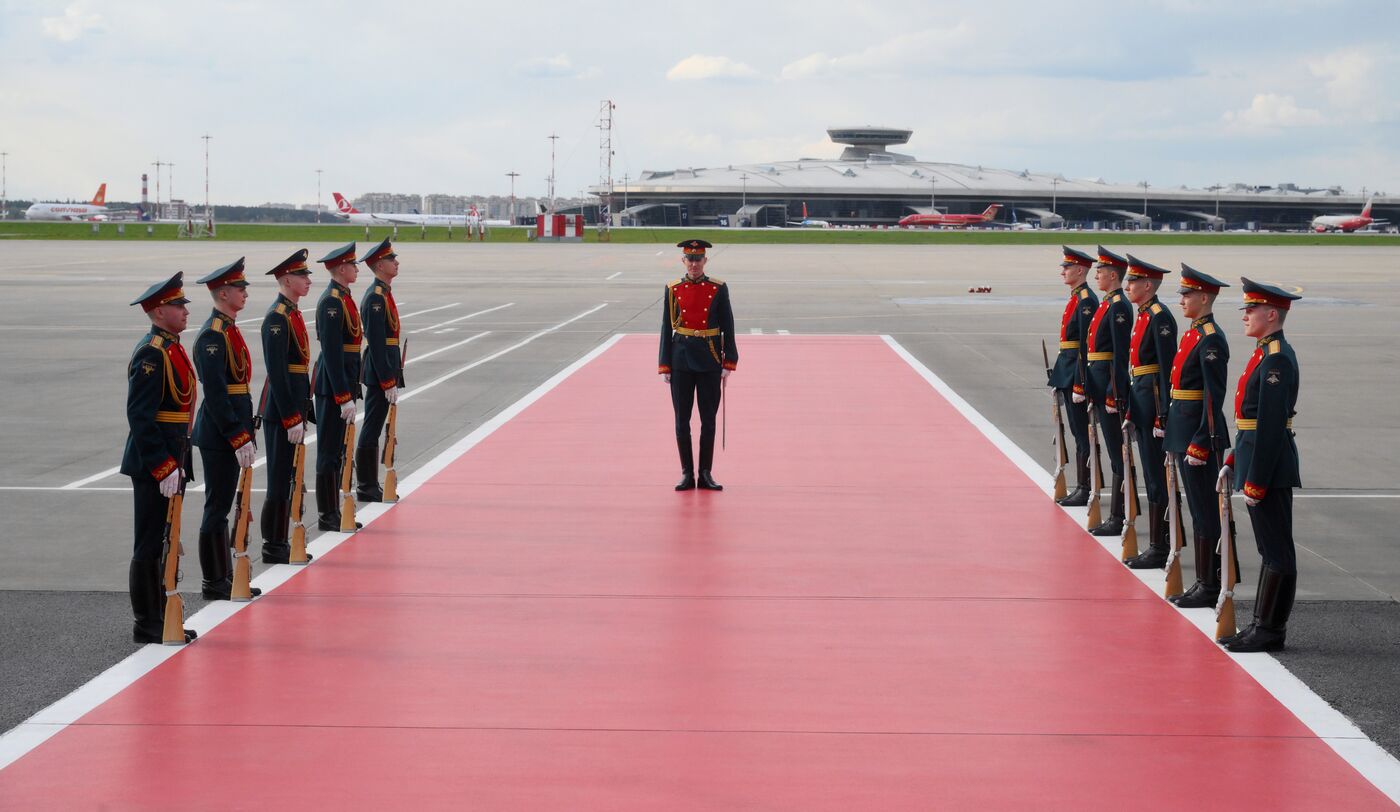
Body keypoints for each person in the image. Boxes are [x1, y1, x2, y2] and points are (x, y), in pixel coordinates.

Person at [1218, 278, 1302, 652]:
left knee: (1277, 550)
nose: (1245, 315)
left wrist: (1256, 480)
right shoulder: (1265, 353)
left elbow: (1269, 425)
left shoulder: (1277, 358)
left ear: (1271, 314)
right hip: (1256, 460)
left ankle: (1270, 629)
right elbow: (1250, 421)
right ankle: (1261, 624)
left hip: (1270, 467)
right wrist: (1235, 458)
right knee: (1269, 549)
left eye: (1251, 309)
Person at [121, 273, 197, 644]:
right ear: (158, 311)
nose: (185, 311)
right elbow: (140, 415)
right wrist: (163, 465)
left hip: (172, 454)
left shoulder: (172, 347)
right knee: (149, 540)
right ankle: (146, 621)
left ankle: (162, 615)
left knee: (165, 537)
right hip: (156, 461)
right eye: (177, 305)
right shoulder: (152, 352)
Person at [191, 258, 262, 599]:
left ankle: (225, 576)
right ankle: (214, 580)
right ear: (223, 293)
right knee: (217, 507)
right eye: (239, 288)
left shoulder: (228, 329)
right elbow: (217, 393)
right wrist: (236, 435)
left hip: (232, 429)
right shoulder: (213, 335)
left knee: (223, 505)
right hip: (220, 434)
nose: (245, 293)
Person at [1164, 265, 1231, 605]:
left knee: (1206, 512)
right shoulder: (1193, 334)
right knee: (1198, 511)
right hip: (1184, 427)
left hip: (1197, 434)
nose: (1182, 300)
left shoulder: (1211, 338)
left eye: (1187, 295)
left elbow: (1213, 396)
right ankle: (1203, 580)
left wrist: (1202, 441)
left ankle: (1210, 584)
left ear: (1204, 298)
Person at [658, 239, 737, 490]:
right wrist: (664, 364)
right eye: (690, 259)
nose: (694, 264)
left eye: (698, 259)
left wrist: (729, 361)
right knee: (682, 421)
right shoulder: (673, 288)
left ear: (705, 260)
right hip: (681, 359)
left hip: (709, 358)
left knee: (708, 421)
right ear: (683, 261)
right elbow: (666, 327)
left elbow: (728, 325)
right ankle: (686, 473)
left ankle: (705, 473)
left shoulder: (718, 288)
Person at [1120, 255, 1178, 568]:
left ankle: (1162, 545)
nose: (1127, 285)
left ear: (1147, 285)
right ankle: (1158, 542)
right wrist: (1133, 410)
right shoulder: (1143, 314)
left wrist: (1162, 414)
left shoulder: (1159, 317)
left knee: (1158, 478)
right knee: (1151, 477)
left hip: (1154, 404)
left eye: (1132, 281)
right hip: (1142, 400)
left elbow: (1166, 370)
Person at [259, 250, 315, 564]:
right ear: (286, 279)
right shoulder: (277, 318)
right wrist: (291, 416)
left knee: (289, 477)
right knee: (279, 479)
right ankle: (273, 544)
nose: (308, 281)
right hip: (281, 411)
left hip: (293, 406)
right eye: (301, 275)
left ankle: (281, 540)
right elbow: (278, 373)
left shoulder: (291, 313)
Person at [312, 243, 363, 530]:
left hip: (343, 382)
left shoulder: (344, 298)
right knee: (329, 452)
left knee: (338, 451)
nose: (357, 269)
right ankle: (327, 514)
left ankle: (334, 509)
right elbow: (332, 353)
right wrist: (343, 395)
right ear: (342, 269)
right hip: (332, 386)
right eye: (353, 265)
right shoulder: (332, 302)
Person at [1083, 246, 1133, 533]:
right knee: (1114, 453)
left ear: (1113, 275)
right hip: (1100, 381)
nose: (1097, 275)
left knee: (1118, 453)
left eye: (1100, 271)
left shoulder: (1118, 306)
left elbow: (1119, 353)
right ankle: (1117, 513)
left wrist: (1114, 392)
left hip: (1109, 385)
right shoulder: (1108, 304)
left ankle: (1120, 515)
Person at [1048, 247, 1099, 506]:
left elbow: (1084, 346)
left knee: (1082, 434)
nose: (1063, 272)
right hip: (1067, 370)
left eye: (1067, 268)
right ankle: (1084, 485)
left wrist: (1080, 382)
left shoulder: (1086, 301)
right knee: (1077, 433)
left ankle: (1086, 486)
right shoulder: (1077, 298)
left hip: (1076, 374)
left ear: (1080, 270)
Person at [356, 238, 404, 501]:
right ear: (379, 265)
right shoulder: (375, 297)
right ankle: (366, 485)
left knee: (375, 426)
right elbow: (375, 342)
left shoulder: (384, 293)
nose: (396, 263)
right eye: (390, 259)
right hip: (379, 372)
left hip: (385, 369)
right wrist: (387, 379)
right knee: (372, 427)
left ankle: (370, 483)